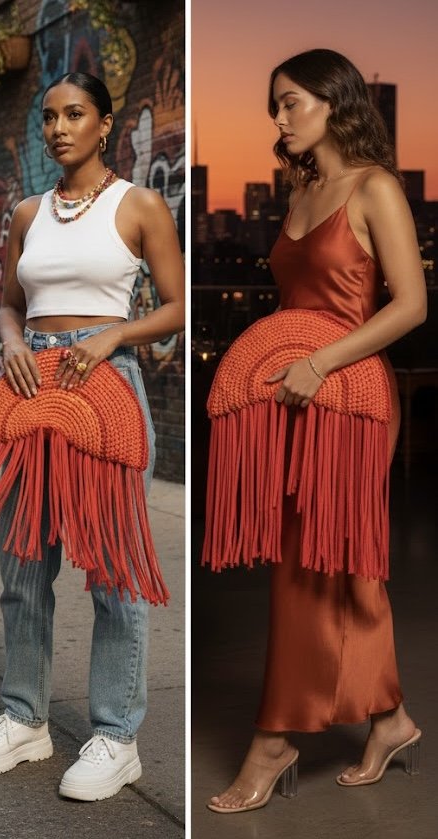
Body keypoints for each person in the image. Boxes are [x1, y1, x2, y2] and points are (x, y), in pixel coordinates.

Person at [208, 48, 426, 814]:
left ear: (335, 102)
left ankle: (275, 736)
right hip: (294, 398)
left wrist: (321, 360)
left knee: (316, 561)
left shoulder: (374, 189)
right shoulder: (300, 187)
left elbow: (408, 306)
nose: (278, 118)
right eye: (274, 105)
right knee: (339, 568)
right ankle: (391, 719)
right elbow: (297, 301)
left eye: (290, 102)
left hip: (352, 395)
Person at [0, 71, 184, 801]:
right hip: (30, 388)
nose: (58, 127)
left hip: (105, 384)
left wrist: (117, 329)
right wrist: (10, 342)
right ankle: (24, 718)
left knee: (115, 574)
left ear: (104, 123)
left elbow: (178, 305)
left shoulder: (139, 203)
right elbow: (7, 304)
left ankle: (116, 735)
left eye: (74, 114)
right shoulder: (25, 211)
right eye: (49, 116)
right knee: (24, 570)